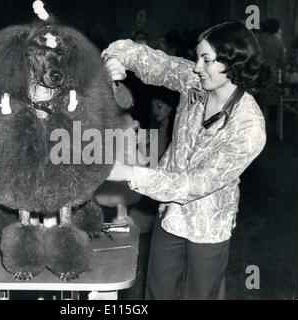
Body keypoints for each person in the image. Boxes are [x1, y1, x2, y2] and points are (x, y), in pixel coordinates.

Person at [102, 21, 269, 299]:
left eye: (206, 60)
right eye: (197, 58)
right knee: (158, 292)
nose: (196, 67)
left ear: (233, 62)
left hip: (208, 227)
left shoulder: (249, 127)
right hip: (170, 216)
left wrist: (127, 172)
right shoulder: (195, 82)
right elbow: (151, 60)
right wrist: (116, 59)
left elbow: (194, 184)